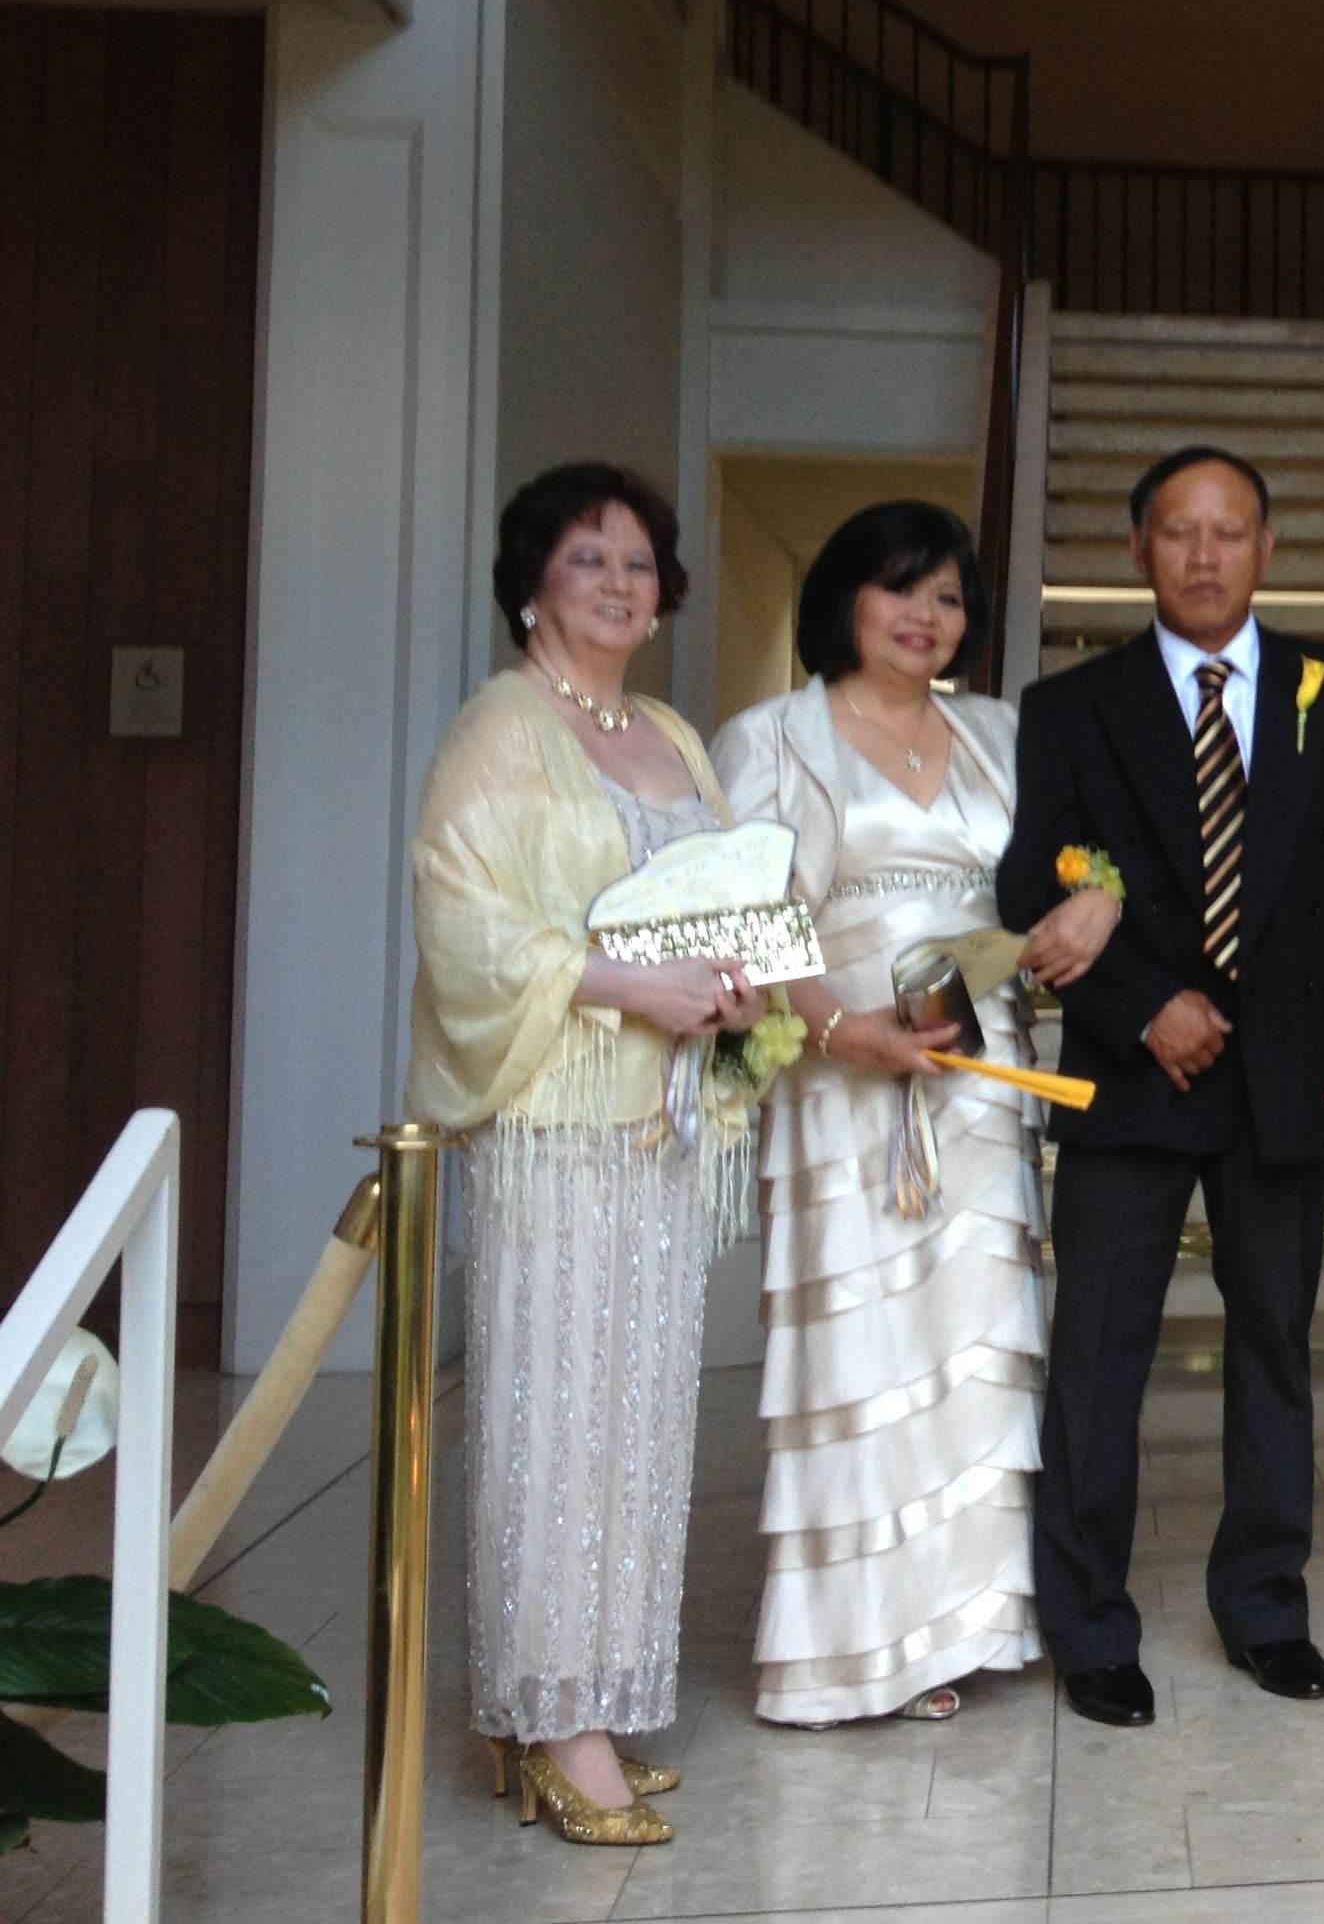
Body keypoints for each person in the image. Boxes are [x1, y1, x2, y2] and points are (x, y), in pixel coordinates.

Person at [995, 446, 1324, 1729]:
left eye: (1229, 532)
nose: (1203, 554)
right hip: (1133, 1079)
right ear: (1138, 549)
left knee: (1274, 1345)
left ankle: (1266, 1607)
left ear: (1266, 549)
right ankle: (1089, 1624)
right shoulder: (1071, 707)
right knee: (1099, 1355)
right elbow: (1029, 886)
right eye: (1178, 531)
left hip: (1289, 1078)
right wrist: (1140, 1007)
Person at [713, 502, 1123, 1728]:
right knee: (864, 1349)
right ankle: (857, 1648)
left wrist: (1099, 899)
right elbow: (750, 918)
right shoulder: (771, 737)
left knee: (976, 1349)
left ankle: (975, 1623)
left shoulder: (1001, 732)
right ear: (845, 596)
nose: (925, 616)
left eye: (947, 596)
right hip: (842, 1080)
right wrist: (847, 1031)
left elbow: (1087, 854)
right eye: (901, 589)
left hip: (980, 1078)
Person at [410, 463, 762, 1846]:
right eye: (586, 560)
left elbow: (722, 895)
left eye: (638, 563)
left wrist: (732, 983)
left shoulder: (669, 731)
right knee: (554, 1416)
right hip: (556, 1126)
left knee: (639, 1421)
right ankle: (552, 1715)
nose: (619, 584)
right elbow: (467, 926)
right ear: (529, 587)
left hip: (660, 1120)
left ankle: (588, 1701)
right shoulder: (500, 729)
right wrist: (632, 985)